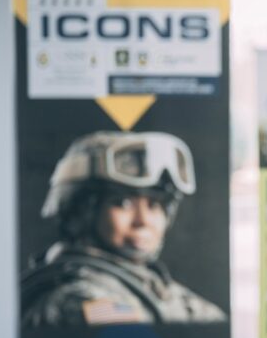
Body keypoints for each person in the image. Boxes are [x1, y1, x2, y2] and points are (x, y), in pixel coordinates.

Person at [21, 131, 226, 326]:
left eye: (154, 205)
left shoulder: (152, 287)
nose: (143, 221)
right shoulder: (78, 300)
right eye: (122, 204)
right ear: (82, 212)